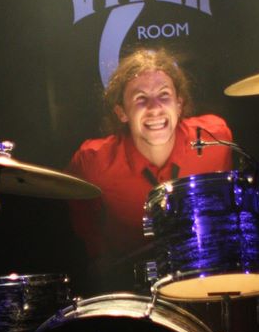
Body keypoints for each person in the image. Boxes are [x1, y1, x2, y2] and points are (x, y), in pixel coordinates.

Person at [68, 48, 233, 293]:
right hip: (133, 293)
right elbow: (86, 239)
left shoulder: (215, 138)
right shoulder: (92, 162)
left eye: (164, 95)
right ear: (121, 112)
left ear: (179, 104)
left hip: (207, 281)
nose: (155, 108)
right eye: (140, 98)